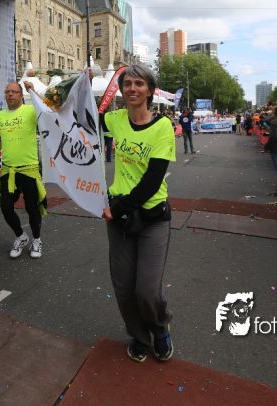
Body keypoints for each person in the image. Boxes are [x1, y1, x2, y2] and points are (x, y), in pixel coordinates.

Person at [101, 64, 176, 364]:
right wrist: (74, 88)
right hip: (119, 219)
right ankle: (139, 336)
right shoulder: (115, 119)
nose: (132, 88)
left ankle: (159, 328)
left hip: (152, 218)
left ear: (150, 90)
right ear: (121, 90)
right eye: (128, 83)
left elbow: (152, 181)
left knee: (146, 289)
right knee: (123, 287)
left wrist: (116, 207)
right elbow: (78, 119)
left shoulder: (163, 126)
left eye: (139, 83)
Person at [0, 82, 47, 259]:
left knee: (32, 208)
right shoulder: (0, 116)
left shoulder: (30, 111)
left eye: (14, 92)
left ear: (21, 95)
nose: (10, 94)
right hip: (8, 170)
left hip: (29, 168)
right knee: (6, 207)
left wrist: (32, 90)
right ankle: (21, 236)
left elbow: (48, 110)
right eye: (7, 92)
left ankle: (37, 240)